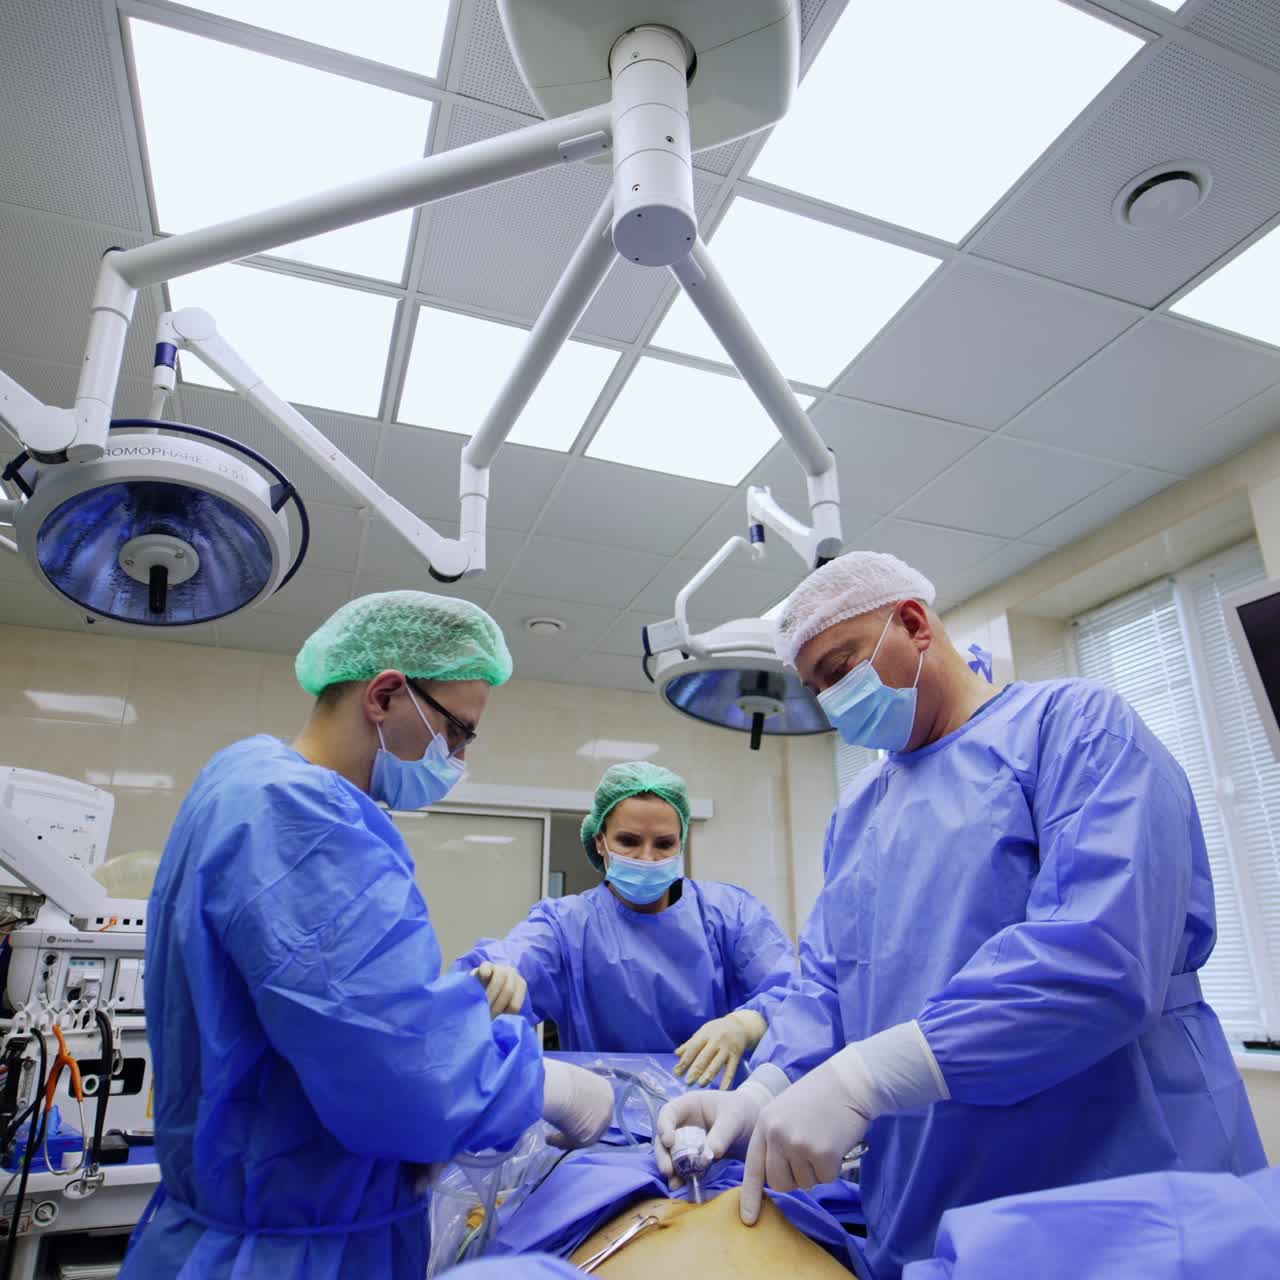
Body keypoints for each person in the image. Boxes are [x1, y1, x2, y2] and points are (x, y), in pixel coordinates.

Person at [656, 552, 1266, 1279]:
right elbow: (827, 985)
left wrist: (865, 1079)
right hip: (927, 1209)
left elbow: (1100, 958)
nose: (831, 699)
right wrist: (763, 1090)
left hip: (1117, 1191)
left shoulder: (1076, 729)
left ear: (913, 623)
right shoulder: (859, 814)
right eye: (817, 686)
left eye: (840, 666)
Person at [123, 591, 613, 1280]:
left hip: (226, 1232)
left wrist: (443, 1006)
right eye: (457, 732)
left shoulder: (238, 784)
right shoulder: (300, 816)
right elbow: (401, 1083)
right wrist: (549, 1086)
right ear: (384, 695)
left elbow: (307, 1011)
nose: (458, 757)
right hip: (294, 1252)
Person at [456, 762, 796, 1089]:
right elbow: (514, 958)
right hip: (603, 1122)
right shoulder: (567, 925)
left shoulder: (731, 914)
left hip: (714, 1114)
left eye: (664, 844)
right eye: (629, 841)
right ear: (600, 840)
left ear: (681, 844)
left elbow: (793, 992)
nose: (647, 858)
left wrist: (747, 1024)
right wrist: (492, 976)